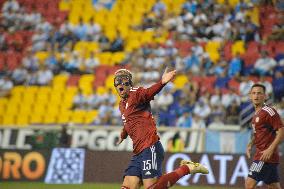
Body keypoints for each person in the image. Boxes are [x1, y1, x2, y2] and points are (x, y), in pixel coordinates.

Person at [114, 68, 209, 189]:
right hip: (138, 151)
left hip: (149, 146)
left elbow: (149, 93)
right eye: (117, 83)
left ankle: (187, 168)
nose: (120, 85)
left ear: (130, 84)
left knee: (152, 188)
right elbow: (129, 122)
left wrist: (162, 82)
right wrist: (123, 134)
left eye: (124, 82)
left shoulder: (136, 93)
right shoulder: (122, 104)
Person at [245, 83, 284, 189]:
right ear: (250, 96)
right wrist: (250, 144)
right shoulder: (256, 114)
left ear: (265, 96)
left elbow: (281, 131)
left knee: (249, 184)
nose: (256, 96)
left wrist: (270, 149)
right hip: (266, 156)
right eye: (253, 93)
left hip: (264, 156)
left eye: (259, 93)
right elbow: (257, 133)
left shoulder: (269, 111)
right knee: (273, 186)